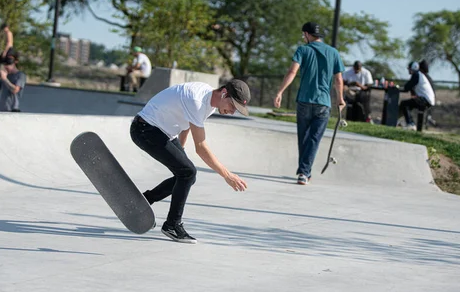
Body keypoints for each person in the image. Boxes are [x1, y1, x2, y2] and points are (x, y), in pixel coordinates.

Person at [131, 79, 251, 244]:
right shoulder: (198, 100)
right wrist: (227, 175)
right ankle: (172, 225)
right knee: (188, 172)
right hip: (146, 129)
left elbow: (188, 123)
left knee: (187, 175)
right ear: (224, 93)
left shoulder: (210, 102)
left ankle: (144, 200)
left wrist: (181, 150)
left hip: (163, 132)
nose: (232, 112)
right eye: (232, 106)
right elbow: (201, 147)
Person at [274, 22, 345, 185]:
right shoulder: (333, 52)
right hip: (323, 103)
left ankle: (304, 172)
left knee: (304, 138)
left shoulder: (303, 50)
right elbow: (338, 79)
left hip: (304, 100)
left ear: (307, 34)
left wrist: (280, 91)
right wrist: (340, 99)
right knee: (313, 139)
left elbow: (292, 71)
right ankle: (305, 172)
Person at [399, 61, 435, 130]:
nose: (408, 70)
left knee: (404, 104)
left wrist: (399, 89)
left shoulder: (416, 75)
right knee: (407, 105)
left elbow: (407, 87)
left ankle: (411, 124)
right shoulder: (418, 75)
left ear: (413, 68)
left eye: (409, 68)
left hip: (425, 100)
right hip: (427, 100)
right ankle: (403, 122)